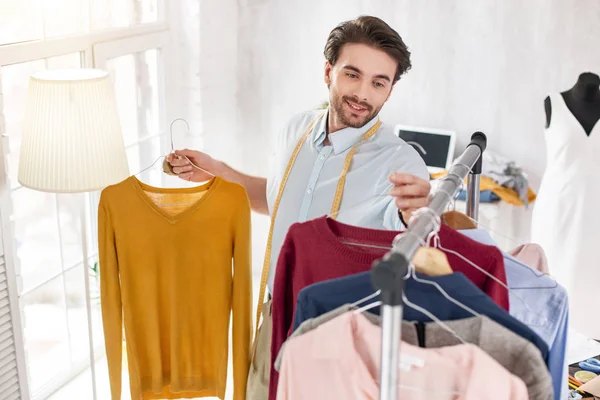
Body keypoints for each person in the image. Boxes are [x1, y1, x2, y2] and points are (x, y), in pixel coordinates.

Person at [167, 15, 430, 399]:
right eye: (352, 75)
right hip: (275, 318)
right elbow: (278, 201)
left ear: (389, 91)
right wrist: (220, 172)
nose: (363, 94)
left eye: (379, 83)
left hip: (343, 335)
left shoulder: (400, 164)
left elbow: (416, 239)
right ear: (328, 71)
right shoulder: (295, 130)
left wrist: (417, 213)